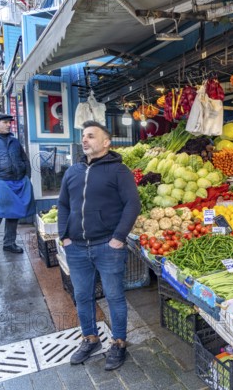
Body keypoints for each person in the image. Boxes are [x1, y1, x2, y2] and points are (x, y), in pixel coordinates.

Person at [58, 121, 140, 370]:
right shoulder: (72, 171)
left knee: (114, 296)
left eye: (91, 136)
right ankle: (90, 338)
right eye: (83, 136)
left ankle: (118, 343)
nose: (85, 140)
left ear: (106, 142)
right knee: (82, 295)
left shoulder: (119, 171)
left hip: (107, 245)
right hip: (77, 247)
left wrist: (118, 237)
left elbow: (132, 205)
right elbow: (63, 204)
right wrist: (65, 235)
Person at [0, 113, 35, 254]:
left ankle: (9, 243)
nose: (9, 124)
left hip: (19, 180)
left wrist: (27, 176)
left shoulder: (15, 141)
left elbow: (25, 159)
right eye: (5, 122)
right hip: (2, 181)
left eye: (10, 122)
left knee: (14, 212)